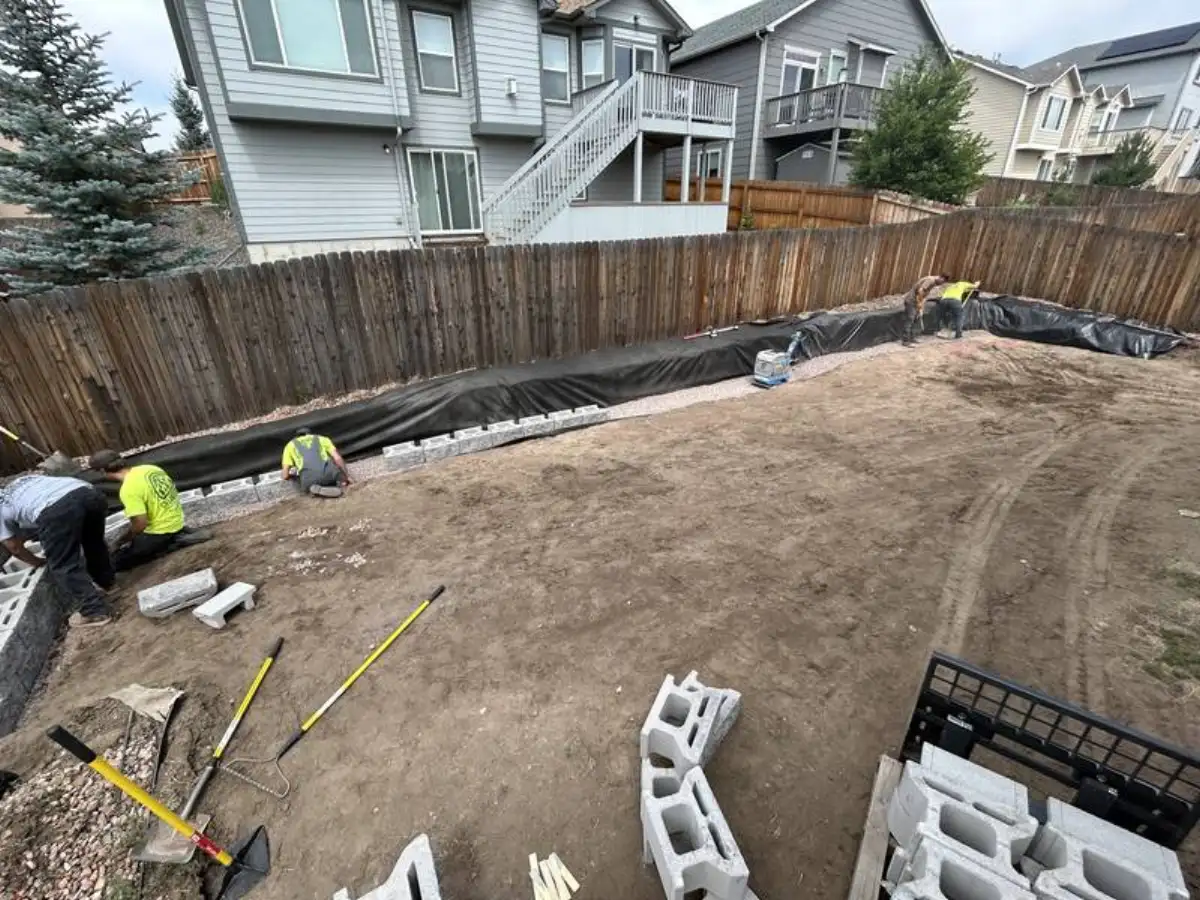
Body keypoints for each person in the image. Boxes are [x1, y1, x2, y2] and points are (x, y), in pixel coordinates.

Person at [0, 474, 114, 627]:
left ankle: (95, 612)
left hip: (56, 508)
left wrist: (38, 562)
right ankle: (108, 584)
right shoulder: (19, 483)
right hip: (89, 493)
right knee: (93, 543)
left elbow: (14, 546)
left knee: (63, 565)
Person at [89, 450, 202, 571]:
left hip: (159, 532)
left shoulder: (128, 489)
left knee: (116, 562)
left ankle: (172, 543)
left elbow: (140, 525)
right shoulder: (150, 469)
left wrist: (119, 542)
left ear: (102, 471)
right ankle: (177, 533)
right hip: (177, 519)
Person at [281, 428, 351, 498]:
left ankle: (309, 490)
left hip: (309, 479)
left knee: (297, 476)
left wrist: (293, 477)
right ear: (310, 434)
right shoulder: (322, 438)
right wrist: (346, 476)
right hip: (331, 475)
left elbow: (285, 475)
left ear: (297, 436)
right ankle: (341, 482)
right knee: (333, 464)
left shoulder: (289, 446)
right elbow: (337, 458)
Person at [901, 274, 950, 346]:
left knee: (916, 319)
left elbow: (924, 296)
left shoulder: (933, 283)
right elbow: (920, 291)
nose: (941, 284)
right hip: (911, 301)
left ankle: (912, 338)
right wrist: (919, 302)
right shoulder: (930, 280)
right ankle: (905, 341)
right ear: (941, 277)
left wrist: (921, 307)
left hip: (917, 302)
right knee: (910, 319)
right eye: (942, 282)